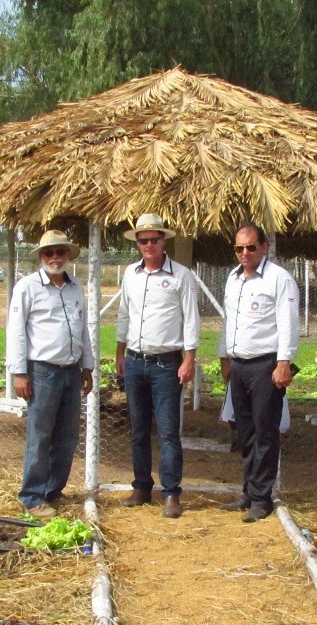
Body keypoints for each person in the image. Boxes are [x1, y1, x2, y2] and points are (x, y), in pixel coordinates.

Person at [116, 213, 201, 519]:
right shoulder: (130, 274)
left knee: (168, 432)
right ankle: (141, 487)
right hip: (136, 361)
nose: (149, 244)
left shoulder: (181, 275)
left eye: (154, 239)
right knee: (138, 430)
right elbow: (124, 314)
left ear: (165, 240)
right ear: (137, 243)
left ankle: (171, 493)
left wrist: (189, 358)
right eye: (143, 240)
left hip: (167, 364)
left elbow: (191, 318)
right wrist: (119, 352)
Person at [6, 231, 94, 517]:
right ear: (41, 257)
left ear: (68, 255)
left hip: (70, 370)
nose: (55, 257)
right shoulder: (27, 287)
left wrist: (87, 366)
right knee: (40, 435)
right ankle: (32, 497)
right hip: (41, 371)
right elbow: (16, 331)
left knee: (67, 435)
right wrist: (19, 372)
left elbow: (83, 329)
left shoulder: (75, 286)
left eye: (60, 252)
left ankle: (53, 492)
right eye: (49, 253)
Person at [217, 224, 299, 522]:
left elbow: (288, 322)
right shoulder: (233, 279)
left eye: (251, 247)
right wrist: (224, 356)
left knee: (265, 432)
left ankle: (262, 498)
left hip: (266, 365)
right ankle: (249, 491)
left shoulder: (279, 279)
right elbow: (229, 321)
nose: (245, 253)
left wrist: (284, 362)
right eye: (239, 248)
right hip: (239, 365)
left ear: (264, 247)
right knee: (245, 431)